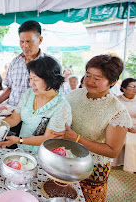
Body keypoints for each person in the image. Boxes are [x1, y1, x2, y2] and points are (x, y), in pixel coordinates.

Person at [54, 55, 132, 201]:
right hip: (65, 159)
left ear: (113, 81)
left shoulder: (116, 111)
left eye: (97, 78)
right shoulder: (75, 95)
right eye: (88, 75)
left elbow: (113, 151)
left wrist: (77, 138)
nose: (90, 81)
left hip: (92, 169)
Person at [0, 20, 48, 148]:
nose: (24, 45)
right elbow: (10, 87)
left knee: (29, 152)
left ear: (40, 40)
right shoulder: (15, 62)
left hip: (34, 120)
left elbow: (53, 94)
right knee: (9, 149)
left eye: (29, 41)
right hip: (13, 116)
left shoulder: (49, 64)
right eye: (22, 41)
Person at [0, 56, 71, 152]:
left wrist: (19, 140)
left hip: (45, 156)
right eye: (30, 78)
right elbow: (14, 118)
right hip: (22, 150)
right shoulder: (29, 94)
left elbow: (48, 138)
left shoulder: (62, 107)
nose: (32, 83)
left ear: (50, 79)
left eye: (35, 80)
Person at [113, 78, 136, 173]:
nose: (135, 88)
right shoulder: (117, 100)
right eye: (132, 86)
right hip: (121, 127)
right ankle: (130, 167)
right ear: (124, 88)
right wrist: (127, 127)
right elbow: (114, 117)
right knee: (130, 142)